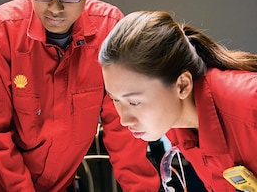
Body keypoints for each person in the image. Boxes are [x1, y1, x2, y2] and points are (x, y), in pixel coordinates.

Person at [0, 0, 161, 191]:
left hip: (58, 182)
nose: (55, 8)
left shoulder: (109, 29)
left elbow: (124, 132)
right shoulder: (3, 29)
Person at [98, 10, 257, 191]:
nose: (124, 120)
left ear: (182, 85)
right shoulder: (174, 122)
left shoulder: (249, 104)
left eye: (134, 102)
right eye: (115, 100)